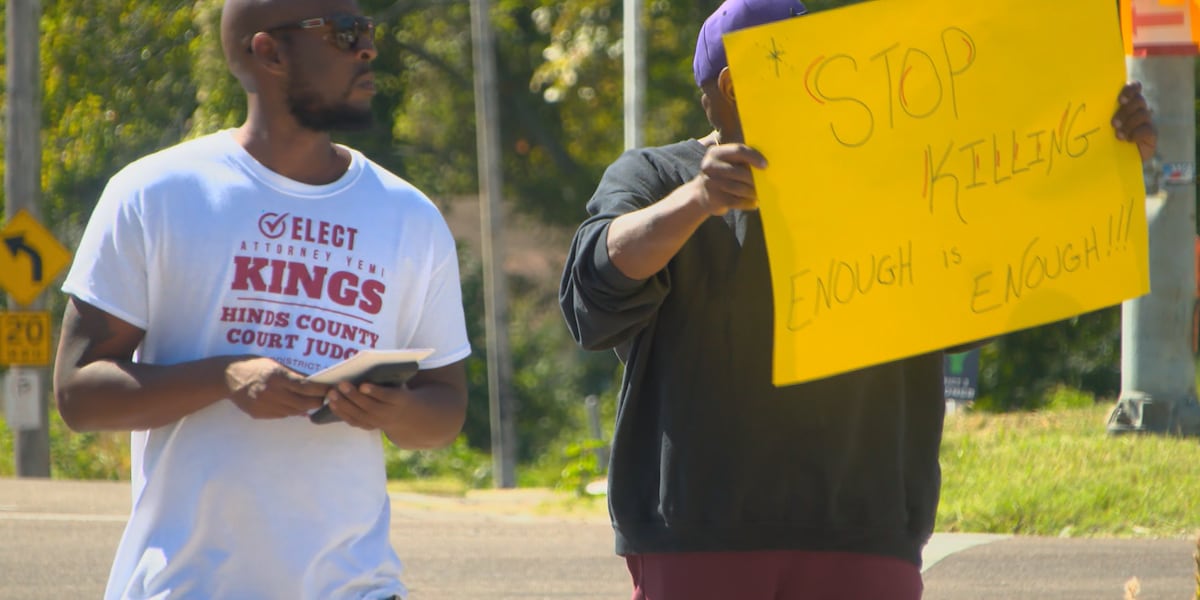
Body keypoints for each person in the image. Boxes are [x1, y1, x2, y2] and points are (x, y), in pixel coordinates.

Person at [558, 1, 1158, 598]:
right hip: (702, 536)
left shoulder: (896, 178)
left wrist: (1101, 155)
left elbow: (987, 279)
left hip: (865, 533)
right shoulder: (659, 177)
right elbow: (596, 279)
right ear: (733, 84)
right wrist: (698, 201)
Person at [52, 0, 470, 598]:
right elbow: (78, 395)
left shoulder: (409, 216)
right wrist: (225, 377)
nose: (368, 50)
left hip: (355, 587)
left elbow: (446, 408)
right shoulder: (155, 193)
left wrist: (392, 410)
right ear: (267, 50)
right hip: (185, 585)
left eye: (369, 32)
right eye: (345, 32)